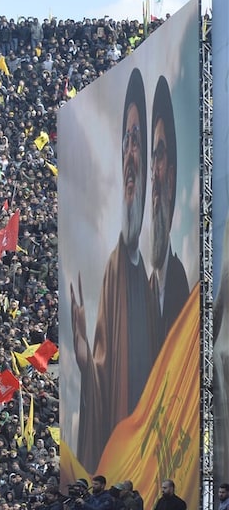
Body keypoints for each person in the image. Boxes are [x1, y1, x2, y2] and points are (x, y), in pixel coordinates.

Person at [71, 67, 156, 472]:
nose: (130, 155)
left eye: (136, 142)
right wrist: (88, 362)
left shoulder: (150, 277)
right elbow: (104, 379)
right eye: (126, 140)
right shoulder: (114, 270)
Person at [148, 75, 189, 351]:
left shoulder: (180, 285)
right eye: (153, 158)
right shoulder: (147, 286)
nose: (154, 171)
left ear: (172, 176)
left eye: (160, 155)